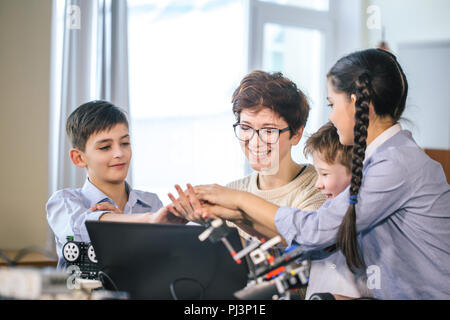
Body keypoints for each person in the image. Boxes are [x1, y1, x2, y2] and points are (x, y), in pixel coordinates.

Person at [179, 49, 450, 299]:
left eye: (332, 105)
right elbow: (317, 246)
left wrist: (238, 200)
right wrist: (237, 214)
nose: (330, 118)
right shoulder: (387, 158)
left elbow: (315, 231)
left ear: (356, 104)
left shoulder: (394, 164)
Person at [168, 71, 326, 242]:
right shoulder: (230, 191)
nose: (255, 141)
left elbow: (304, 245)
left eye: (268, 130)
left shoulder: (321, 188)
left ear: (296, 134)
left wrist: (238, 214)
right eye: (245, 128)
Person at [46, 100, 185, 268]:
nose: (119, 153)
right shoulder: (63, 201)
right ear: (79, 158)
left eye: (125, 143)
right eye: (105, 147)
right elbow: (80, 228)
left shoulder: (151, 202)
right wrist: (149, 220)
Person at [303, 122, 371, 299]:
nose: (318, 184)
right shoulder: (326, 210)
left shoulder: (367, 220)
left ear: (355, 173)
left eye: (324, 174)